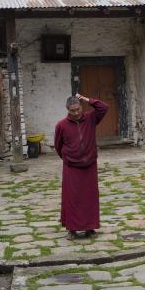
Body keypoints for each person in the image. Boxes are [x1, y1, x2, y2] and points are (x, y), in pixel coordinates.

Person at [54, 93, 108, 238]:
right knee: (72, 198)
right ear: (67, 110)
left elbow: (104, 107)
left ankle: (90, 228)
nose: (76, 113)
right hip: (71, 167)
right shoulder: (61, 125)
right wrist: (69, 157)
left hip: (90, 165)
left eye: (78, 109)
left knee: (90, 197)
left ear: (81, 107)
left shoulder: (90, 118)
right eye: (73, 110)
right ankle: (72, 229)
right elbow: (58, 146)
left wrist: (87, 99)